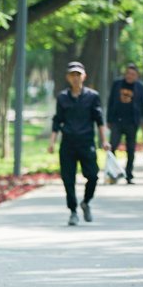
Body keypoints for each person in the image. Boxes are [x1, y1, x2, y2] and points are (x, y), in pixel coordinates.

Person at [48, 61, 110, 226]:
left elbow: (99, 120)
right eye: (72, 75)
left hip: (86, 142)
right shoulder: (62, 97)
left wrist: (104, 140)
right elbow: (57, 120)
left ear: (84, 76)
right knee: (68, 179)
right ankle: (73, 210)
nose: (75, 78)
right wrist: (52, 141)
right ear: (68, 77)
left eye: (78, 74)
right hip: (68, 144)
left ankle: (86, 201)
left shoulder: (92, 96)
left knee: (93, 175)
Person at [106, 63, 143, 184]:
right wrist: (108, 119)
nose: (129, 76)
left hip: (132, 122)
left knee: (130, 149)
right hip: (117, 121)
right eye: (128, 73)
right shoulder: (117, 84)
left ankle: (129, 174)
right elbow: (110, 101)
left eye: (132, 74)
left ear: (137, 76)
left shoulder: (140, 87)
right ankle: (113, 173)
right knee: (112, 147)